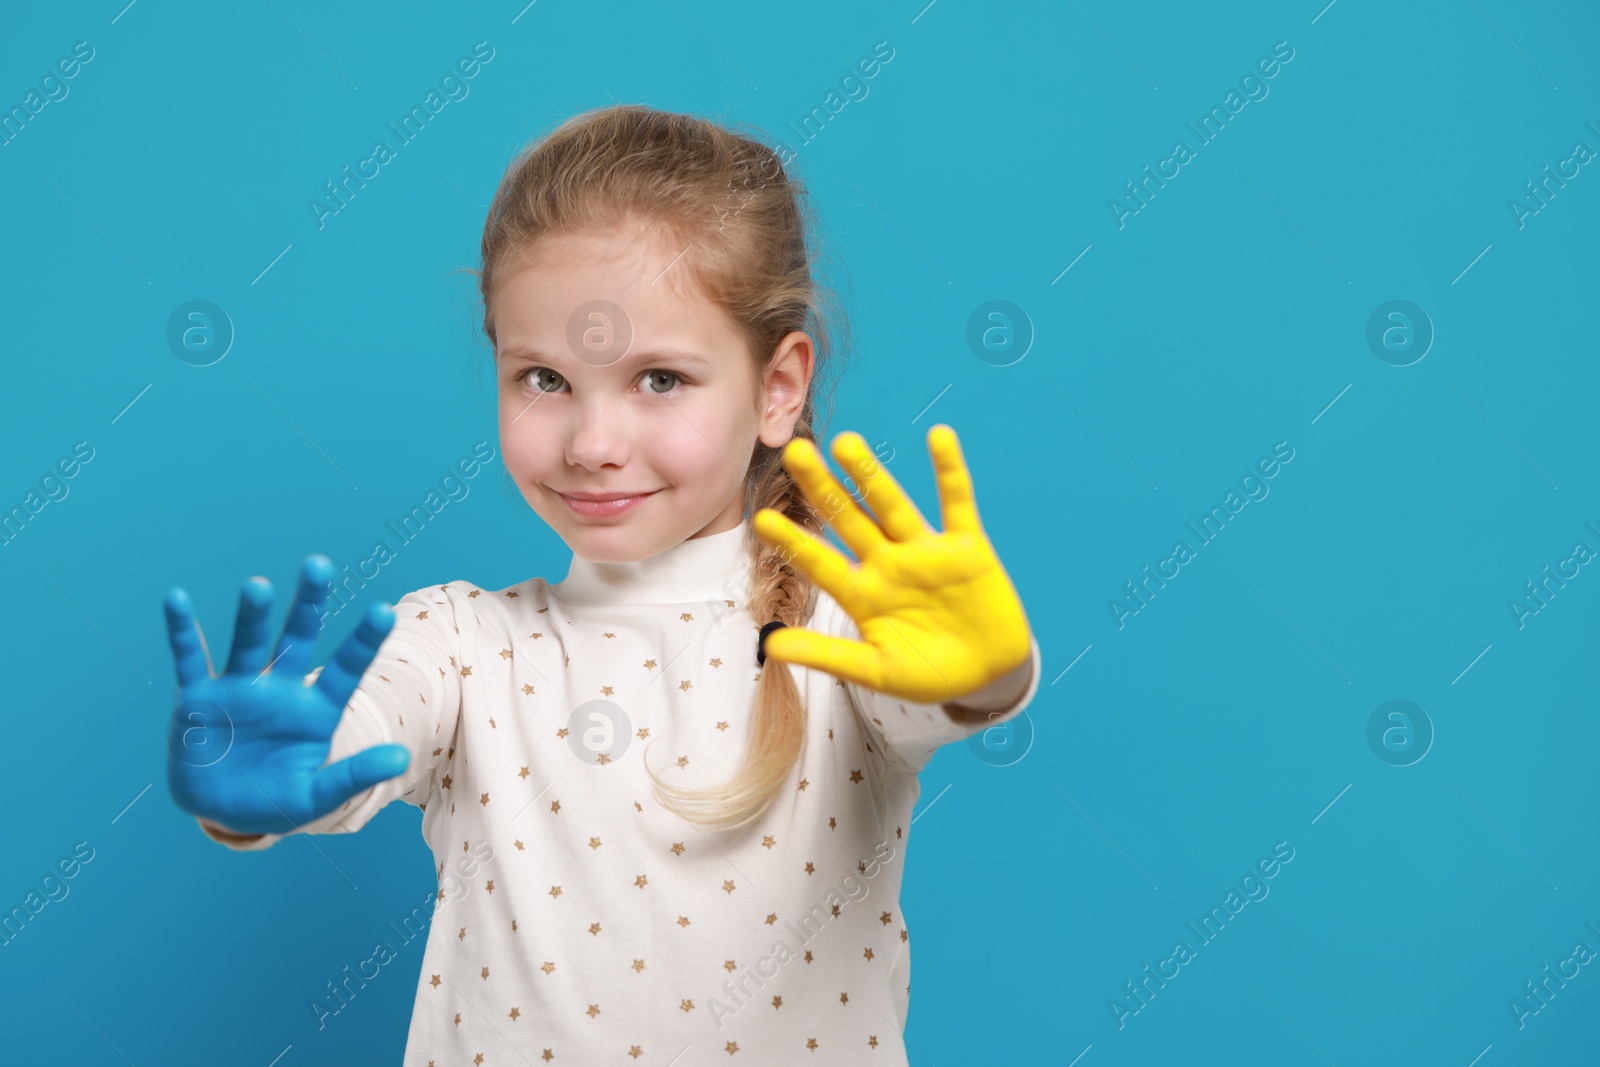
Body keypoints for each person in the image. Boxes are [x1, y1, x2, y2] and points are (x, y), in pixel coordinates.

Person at [164, 104, 1041, 1066]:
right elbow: (355, 740)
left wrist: (986, 674)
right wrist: (256, 790)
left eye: (660, 379)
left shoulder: (841, 632)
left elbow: (940, 693)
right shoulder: (462, 642)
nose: (592, 445)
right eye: (543, 379)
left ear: (779, 386)